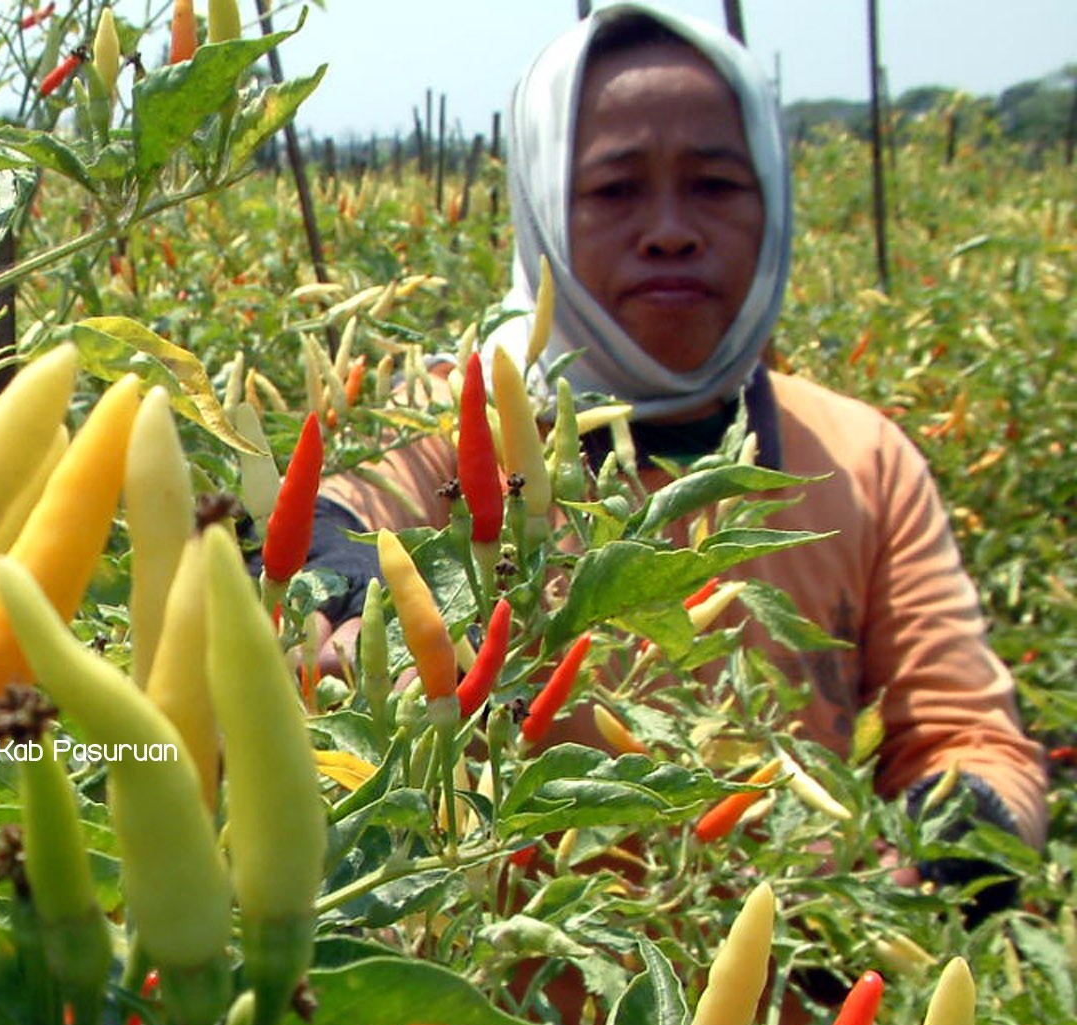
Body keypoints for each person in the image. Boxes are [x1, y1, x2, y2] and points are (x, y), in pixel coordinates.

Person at [311, 0, 1046, 882]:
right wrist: (336, 599)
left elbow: (965, 732)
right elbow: (330, 525)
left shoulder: (861, 458)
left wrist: (936, 857)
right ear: (545, 206)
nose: (669, 230)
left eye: (716, 185)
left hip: (798, 999)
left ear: (772, 202)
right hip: (493, 1012)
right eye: (615, 189)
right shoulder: (463, 426)